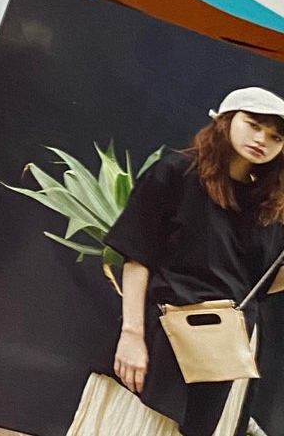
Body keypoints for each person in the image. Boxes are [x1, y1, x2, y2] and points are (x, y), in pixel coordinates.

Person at [104, 87, 284, 436]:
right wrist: (132, 335)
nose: (262, 140)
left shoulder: (270, 204)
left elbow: (259, 285)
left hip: (227, 348)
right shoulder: (177, 172)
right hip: (166, 331)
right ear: (226, 121)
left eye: (276, 137)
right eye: (253, 125)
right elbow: (137, 256)